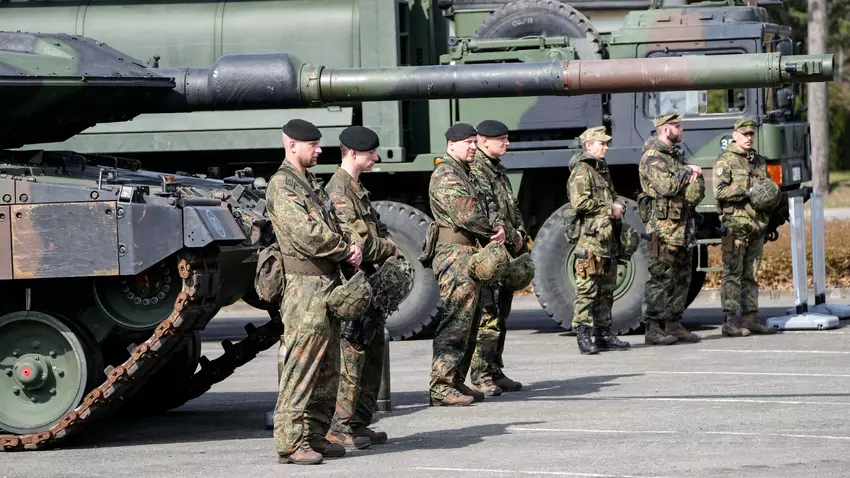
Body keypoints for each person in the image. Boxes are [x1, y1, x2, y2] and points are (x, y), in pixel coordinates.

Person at [268, 119, 366, 465]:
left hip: (327, 283)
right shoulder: (283, 185)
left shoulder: (310, 183)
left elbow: (338, 222)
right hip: (304, 287)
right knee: (302, 365)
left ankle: (314, 435)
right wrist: (343, 248)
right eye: (313, 145)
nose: (320, 150)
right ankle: (290, 442)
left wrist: (352, 243)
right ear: (292, 145)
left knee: (327, 367)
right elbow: (305, 233)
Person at [324, 126, 398, 447]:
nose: (376, 158)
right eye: (371, 153)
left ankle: (359, 422)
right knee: (352, 353)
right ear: (353, 153)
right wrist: (388, 248)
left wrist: (384, 245)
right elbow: (363, 244)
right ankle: (339, 425)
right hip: (353, 284)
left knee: (373, 352)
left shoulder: (357, 189)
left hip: (370, 283)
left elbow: (377, 232)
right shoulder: (338, 192)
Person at [426, 122, 506, 406]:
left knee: (471, 320)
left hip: (471, 250)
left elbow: (490, 204)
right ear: (451, 145)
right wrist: (491, 228)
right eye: (468, 143)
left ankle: (456, 380)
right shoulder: (446, 173)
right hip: (453, 252)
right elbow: (467, 213)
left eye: (475, 142)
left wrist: (497, 224)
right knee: (456, 319)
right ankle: (441, 385)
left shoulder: (469, 173)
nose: (473, 147)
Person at [468, 119, 525, 396]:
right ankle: (481, 375)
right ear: (483, 140)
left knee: (501, 313)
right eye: (502, 139)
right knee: (488, 315)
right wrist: (510, 237)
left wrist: (520, 233)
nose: (507, 143)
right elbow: (488, 218)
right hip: (490, 253)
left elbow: (510, 211)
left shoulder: (497, 171)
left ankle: (494, 369)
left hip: (507, 252)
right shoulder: (476, 171)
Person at [638, 112, 703, 346]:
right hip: (663, 230)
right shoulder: (652, 158)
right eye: (677, 126)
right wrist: (689, 171)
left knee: (682, 276)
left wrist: (687, 173)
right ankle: (653, 327)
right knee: (661, 277)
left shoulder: (674, 157)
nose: (681, 130)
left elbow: (685, 189)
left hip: (682, 227)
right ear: (666, 130)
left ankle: (674, 323)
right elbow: (667, 187)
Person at [566, 126, 631, 354]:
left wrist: (619, 204)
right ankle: (583, 334)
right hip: (591, 240)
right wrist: (609, 208)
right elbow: (580, 203)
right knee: (587, 288)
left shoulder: (600, 169)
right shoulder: (583, 170)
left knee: (607, 288)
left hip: (607, 238)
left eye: (606, 143)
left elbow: (611, 195)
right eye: (601, 143)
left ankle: (604, 333)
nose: (606, 147)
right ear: (588, 146)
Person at [713, 117, 778, 336]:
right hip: (736, 224)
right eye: (744, 134)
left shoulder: (758, 161)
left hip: (756, 224)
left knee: (751, 273)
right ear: (735, 135)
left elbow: (767, 187)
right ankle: (730, 321)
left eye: (751, 134)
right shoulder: (726, 160)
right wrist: (747, 191)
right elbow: (720, 191)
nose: (749, 138)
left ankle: (750, 318)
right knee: (733, 273)